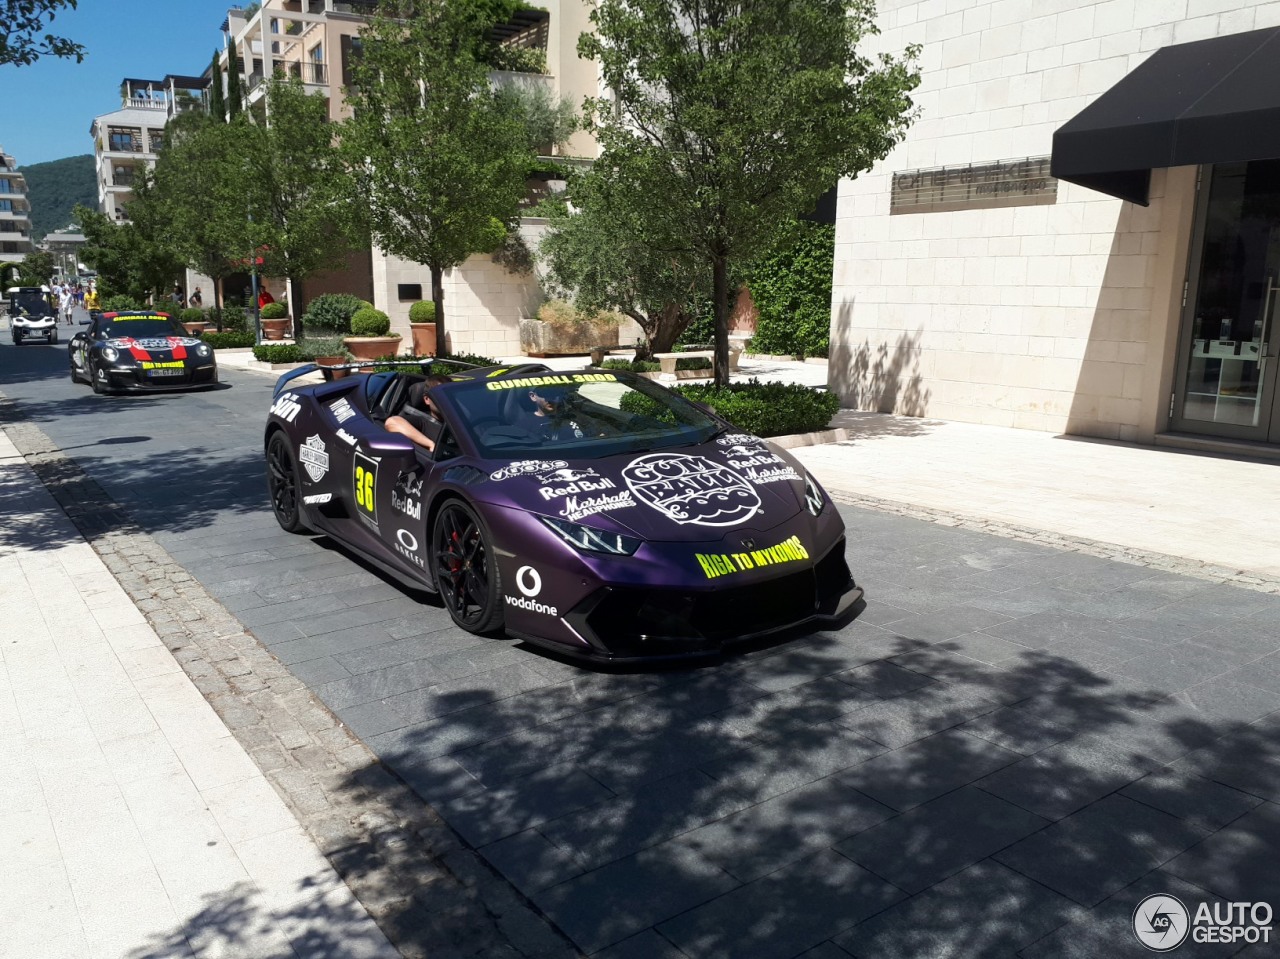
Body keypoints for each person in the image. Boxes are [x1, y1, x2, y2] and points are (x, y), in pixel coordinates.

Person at [384, 373, 452, 451]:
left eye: (449, 394)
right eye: (441, 395)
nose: (446, 399)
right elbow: (392, 422)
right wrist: (430, 444)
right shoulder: (422, 421)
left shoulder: (461, 418)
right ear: (427, 399)